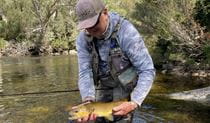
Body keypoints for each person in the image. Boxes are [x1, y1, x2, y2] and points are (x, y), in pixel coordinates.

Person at [74, 0, 155, 122]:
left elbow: (147, 70)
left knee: (121, 119)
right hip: (104, 85)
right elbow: (85, 72)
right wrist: (87, 100)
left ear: (105, 12)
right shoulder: (83, 39)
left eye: (94, 25)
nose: (90, 31)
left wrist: (134, 102)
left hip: (126, 88)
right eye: (86, 27)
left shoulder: (126, 32)